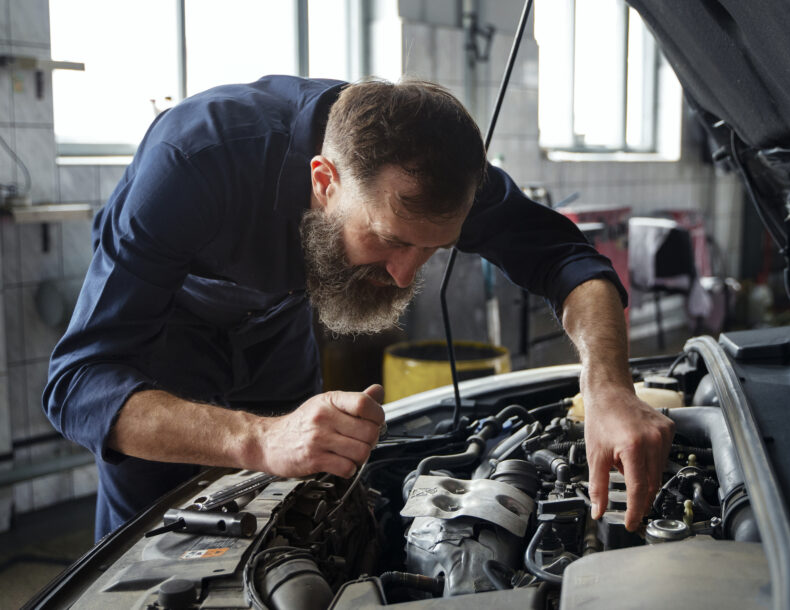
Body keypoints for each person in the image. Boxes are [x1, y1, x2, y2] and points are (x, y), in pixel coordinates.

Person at [44, 76, 674, 540]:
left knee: (293, 528)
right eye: (392, 240)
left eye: (434, 250)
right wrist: (260, 438)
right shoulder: (196, 160)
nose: (405, 275)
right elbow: (80, 384)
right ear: (325, 182)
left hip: (275, 333)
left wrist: (608, 388)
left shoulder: (434, 169)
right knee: (164, 554)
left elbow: (569, 259)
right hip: (163, 344)